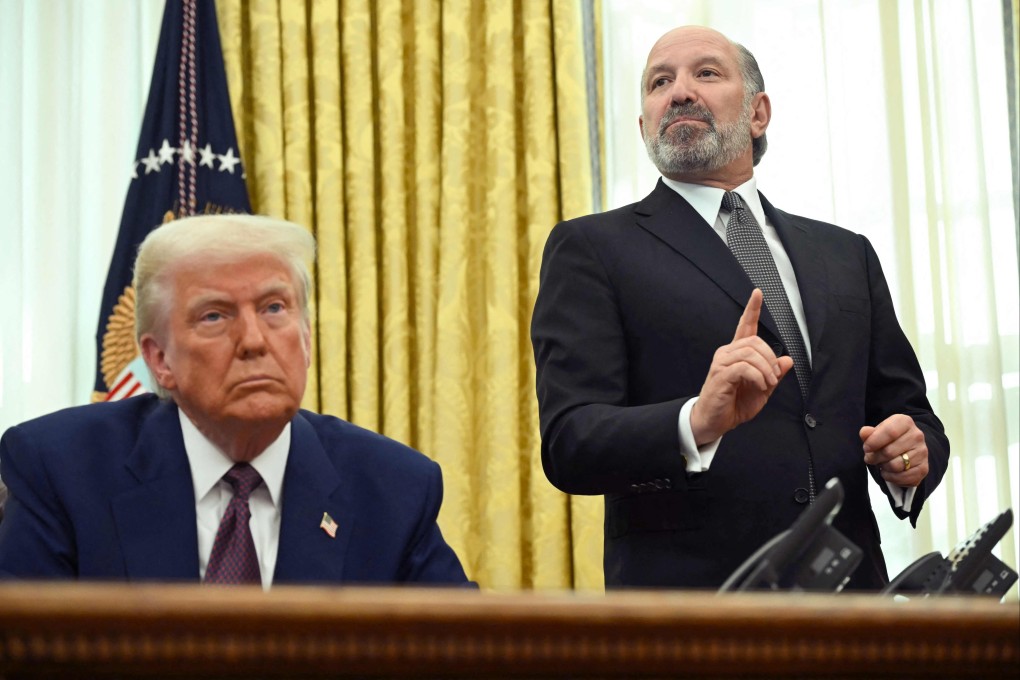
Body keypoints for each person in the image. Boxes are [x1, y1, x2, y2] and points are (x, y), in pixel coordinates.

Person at [530, 26, 949, 590]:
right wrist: (695, 421)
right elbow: (571, 441)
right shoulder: (592, 248)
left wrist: (911, 457)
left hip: (853, 606)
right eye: (660, 81)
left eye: (705, 73)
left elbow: (909, 413)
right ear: (644, 125)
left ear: (758, 113)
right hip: (695, 615)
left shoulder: (846, 253)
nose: (679, 91)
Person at [0, 214, 470, 587]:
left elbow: (462, 658)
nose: (253, 340)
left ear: (306, 337)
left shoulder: (392, 488)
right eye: (214, 316)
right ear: (159, 358)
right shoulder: (61, 470)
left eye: (273, 308)